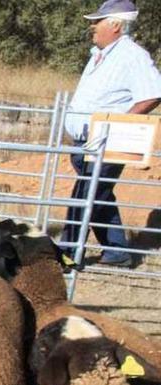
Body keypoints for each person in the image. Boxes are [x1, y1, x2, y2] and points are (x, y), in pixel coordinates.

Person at [61, 0, 161, 266]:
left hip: (106, 140)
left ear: (116, 25)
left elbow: (152, 94)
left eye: (98, 21)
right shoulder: (101, 54)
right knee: (98, 193)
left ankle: (67, 253)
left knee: (85, 193)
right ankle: (117, 252)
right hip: (86, 139)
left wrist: (120, 124)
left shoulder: (132, 56)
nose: (92, 26)